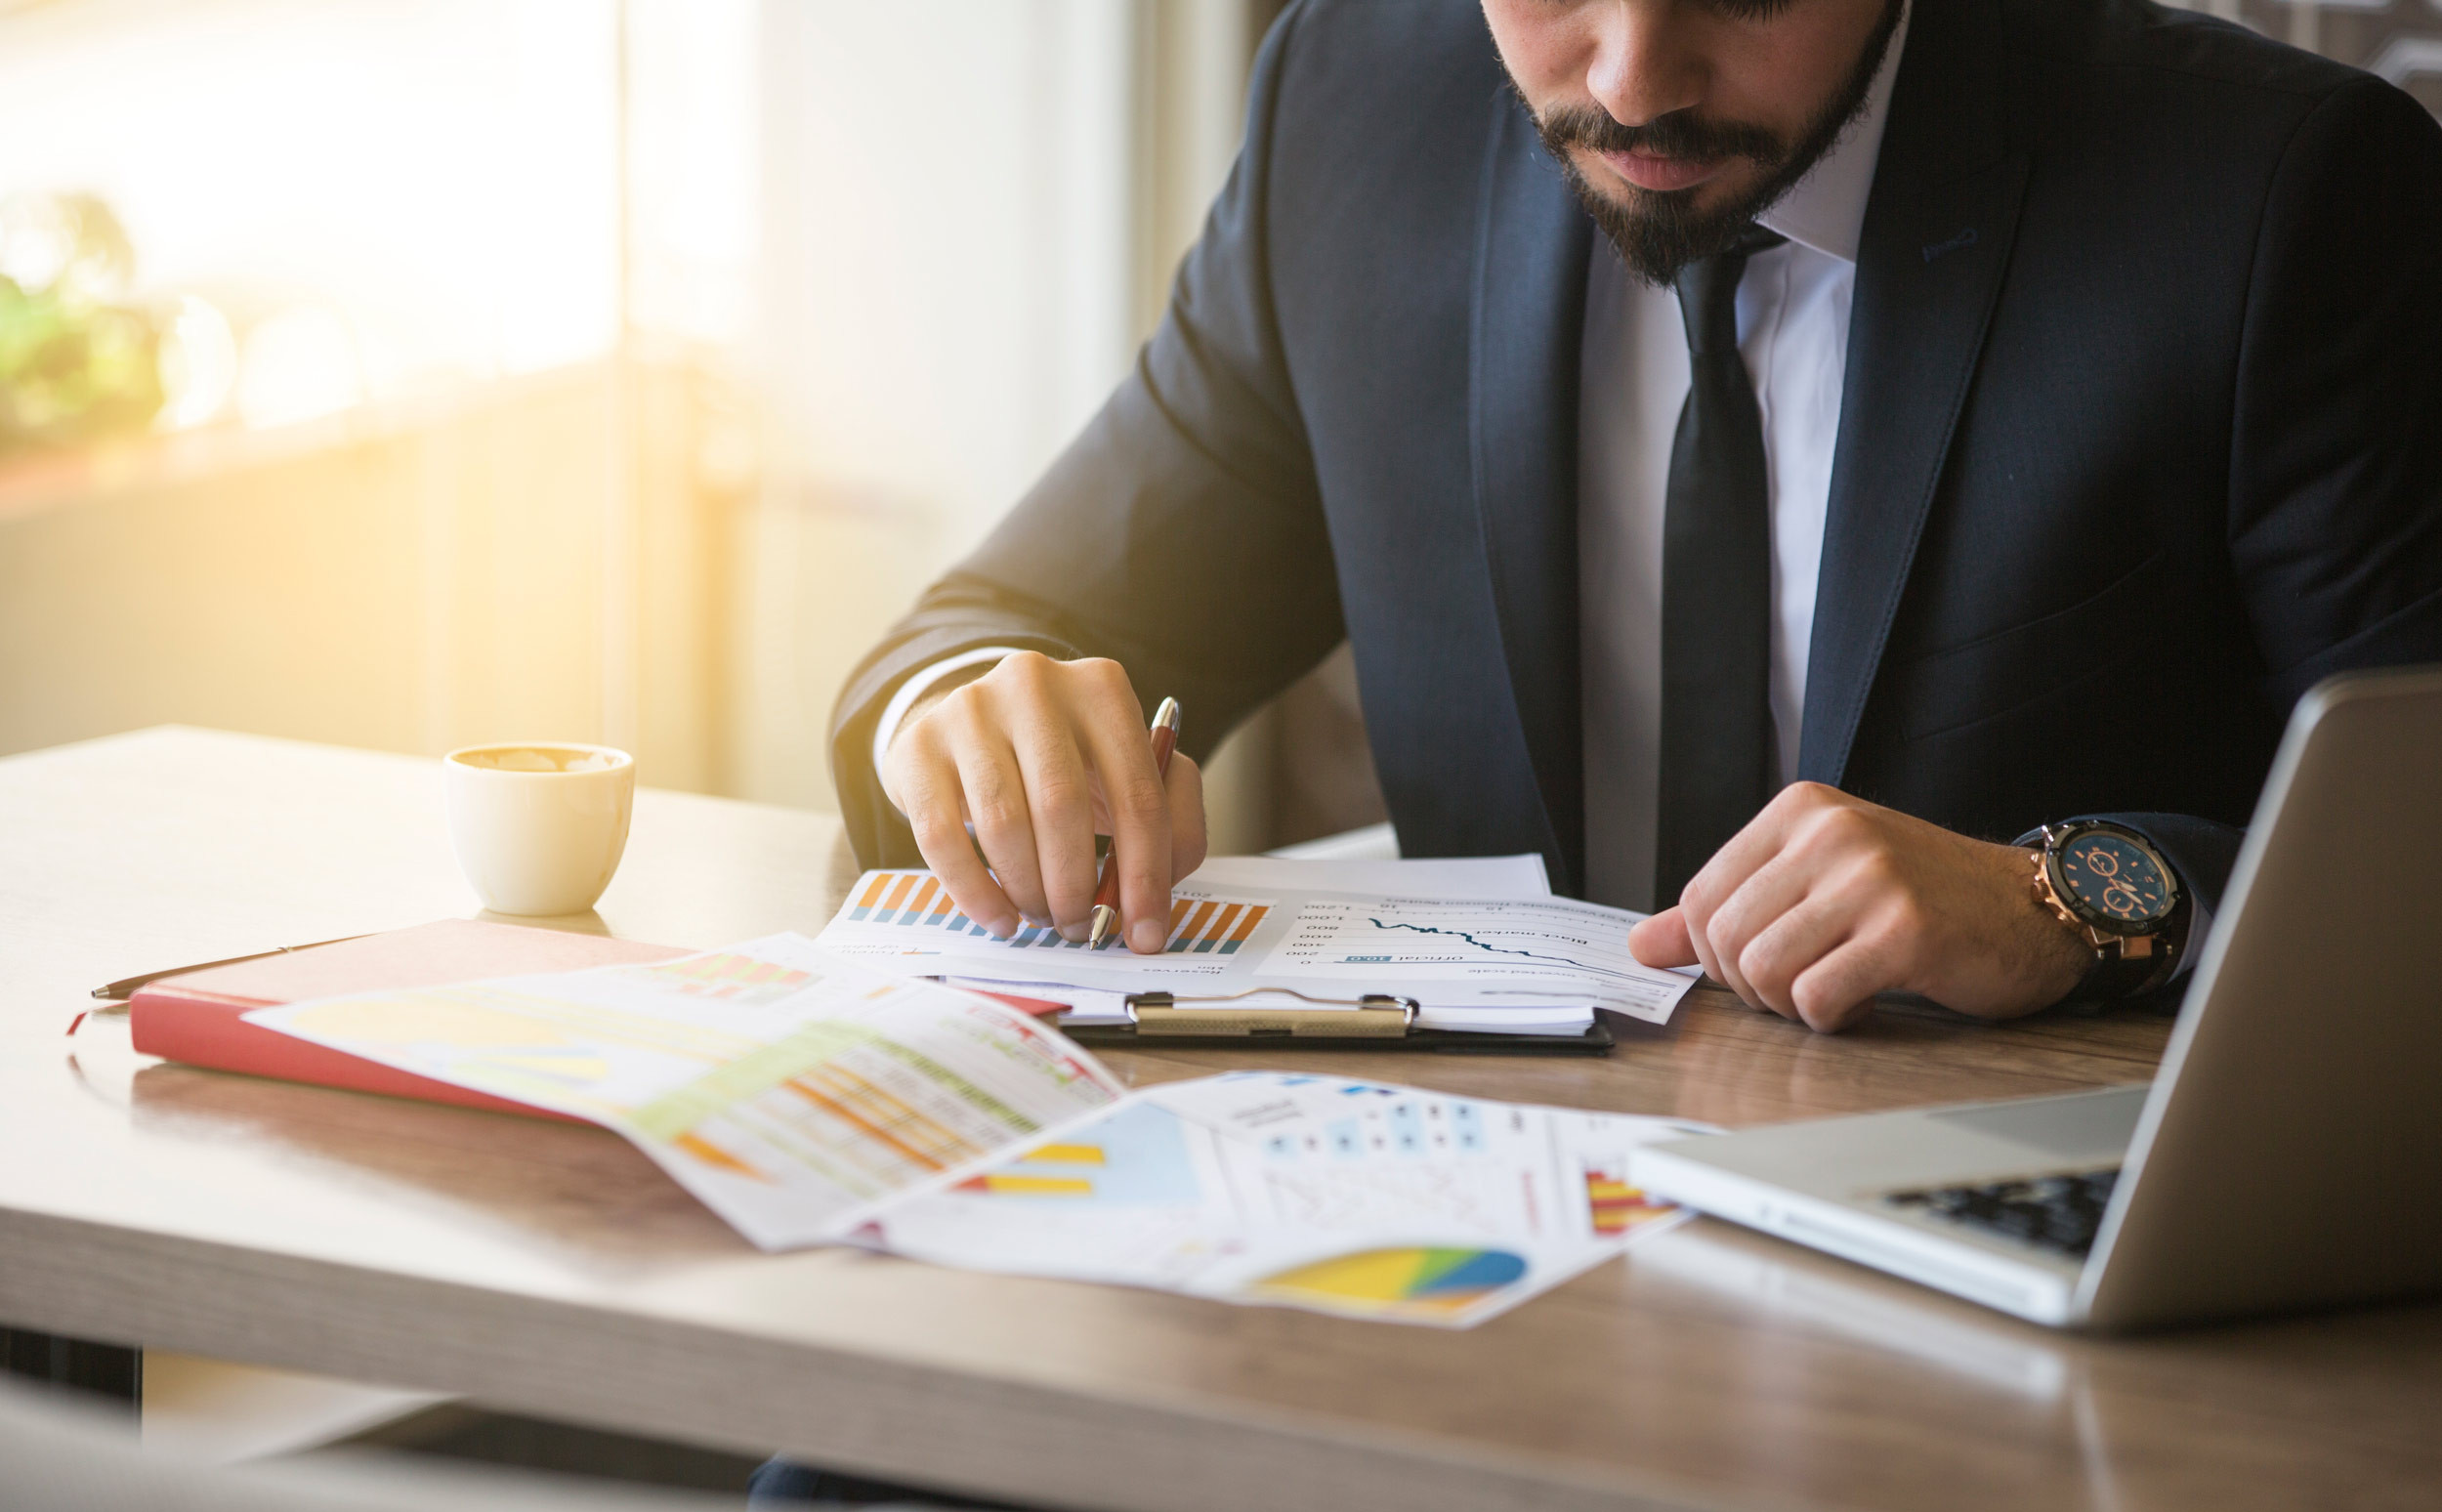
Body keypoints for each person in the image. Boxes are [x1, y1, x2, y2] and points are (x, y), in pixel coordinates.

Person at [826, 0, 2442, 1034]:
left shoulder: (2276, 196)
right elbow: (986, 629)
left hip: (2001, 1248)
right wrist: (966, 720)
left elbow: (2411, 854)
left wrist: (2068, 906)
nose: (1631, 77)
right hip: (1473, 1207)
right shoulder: (1358, 109)